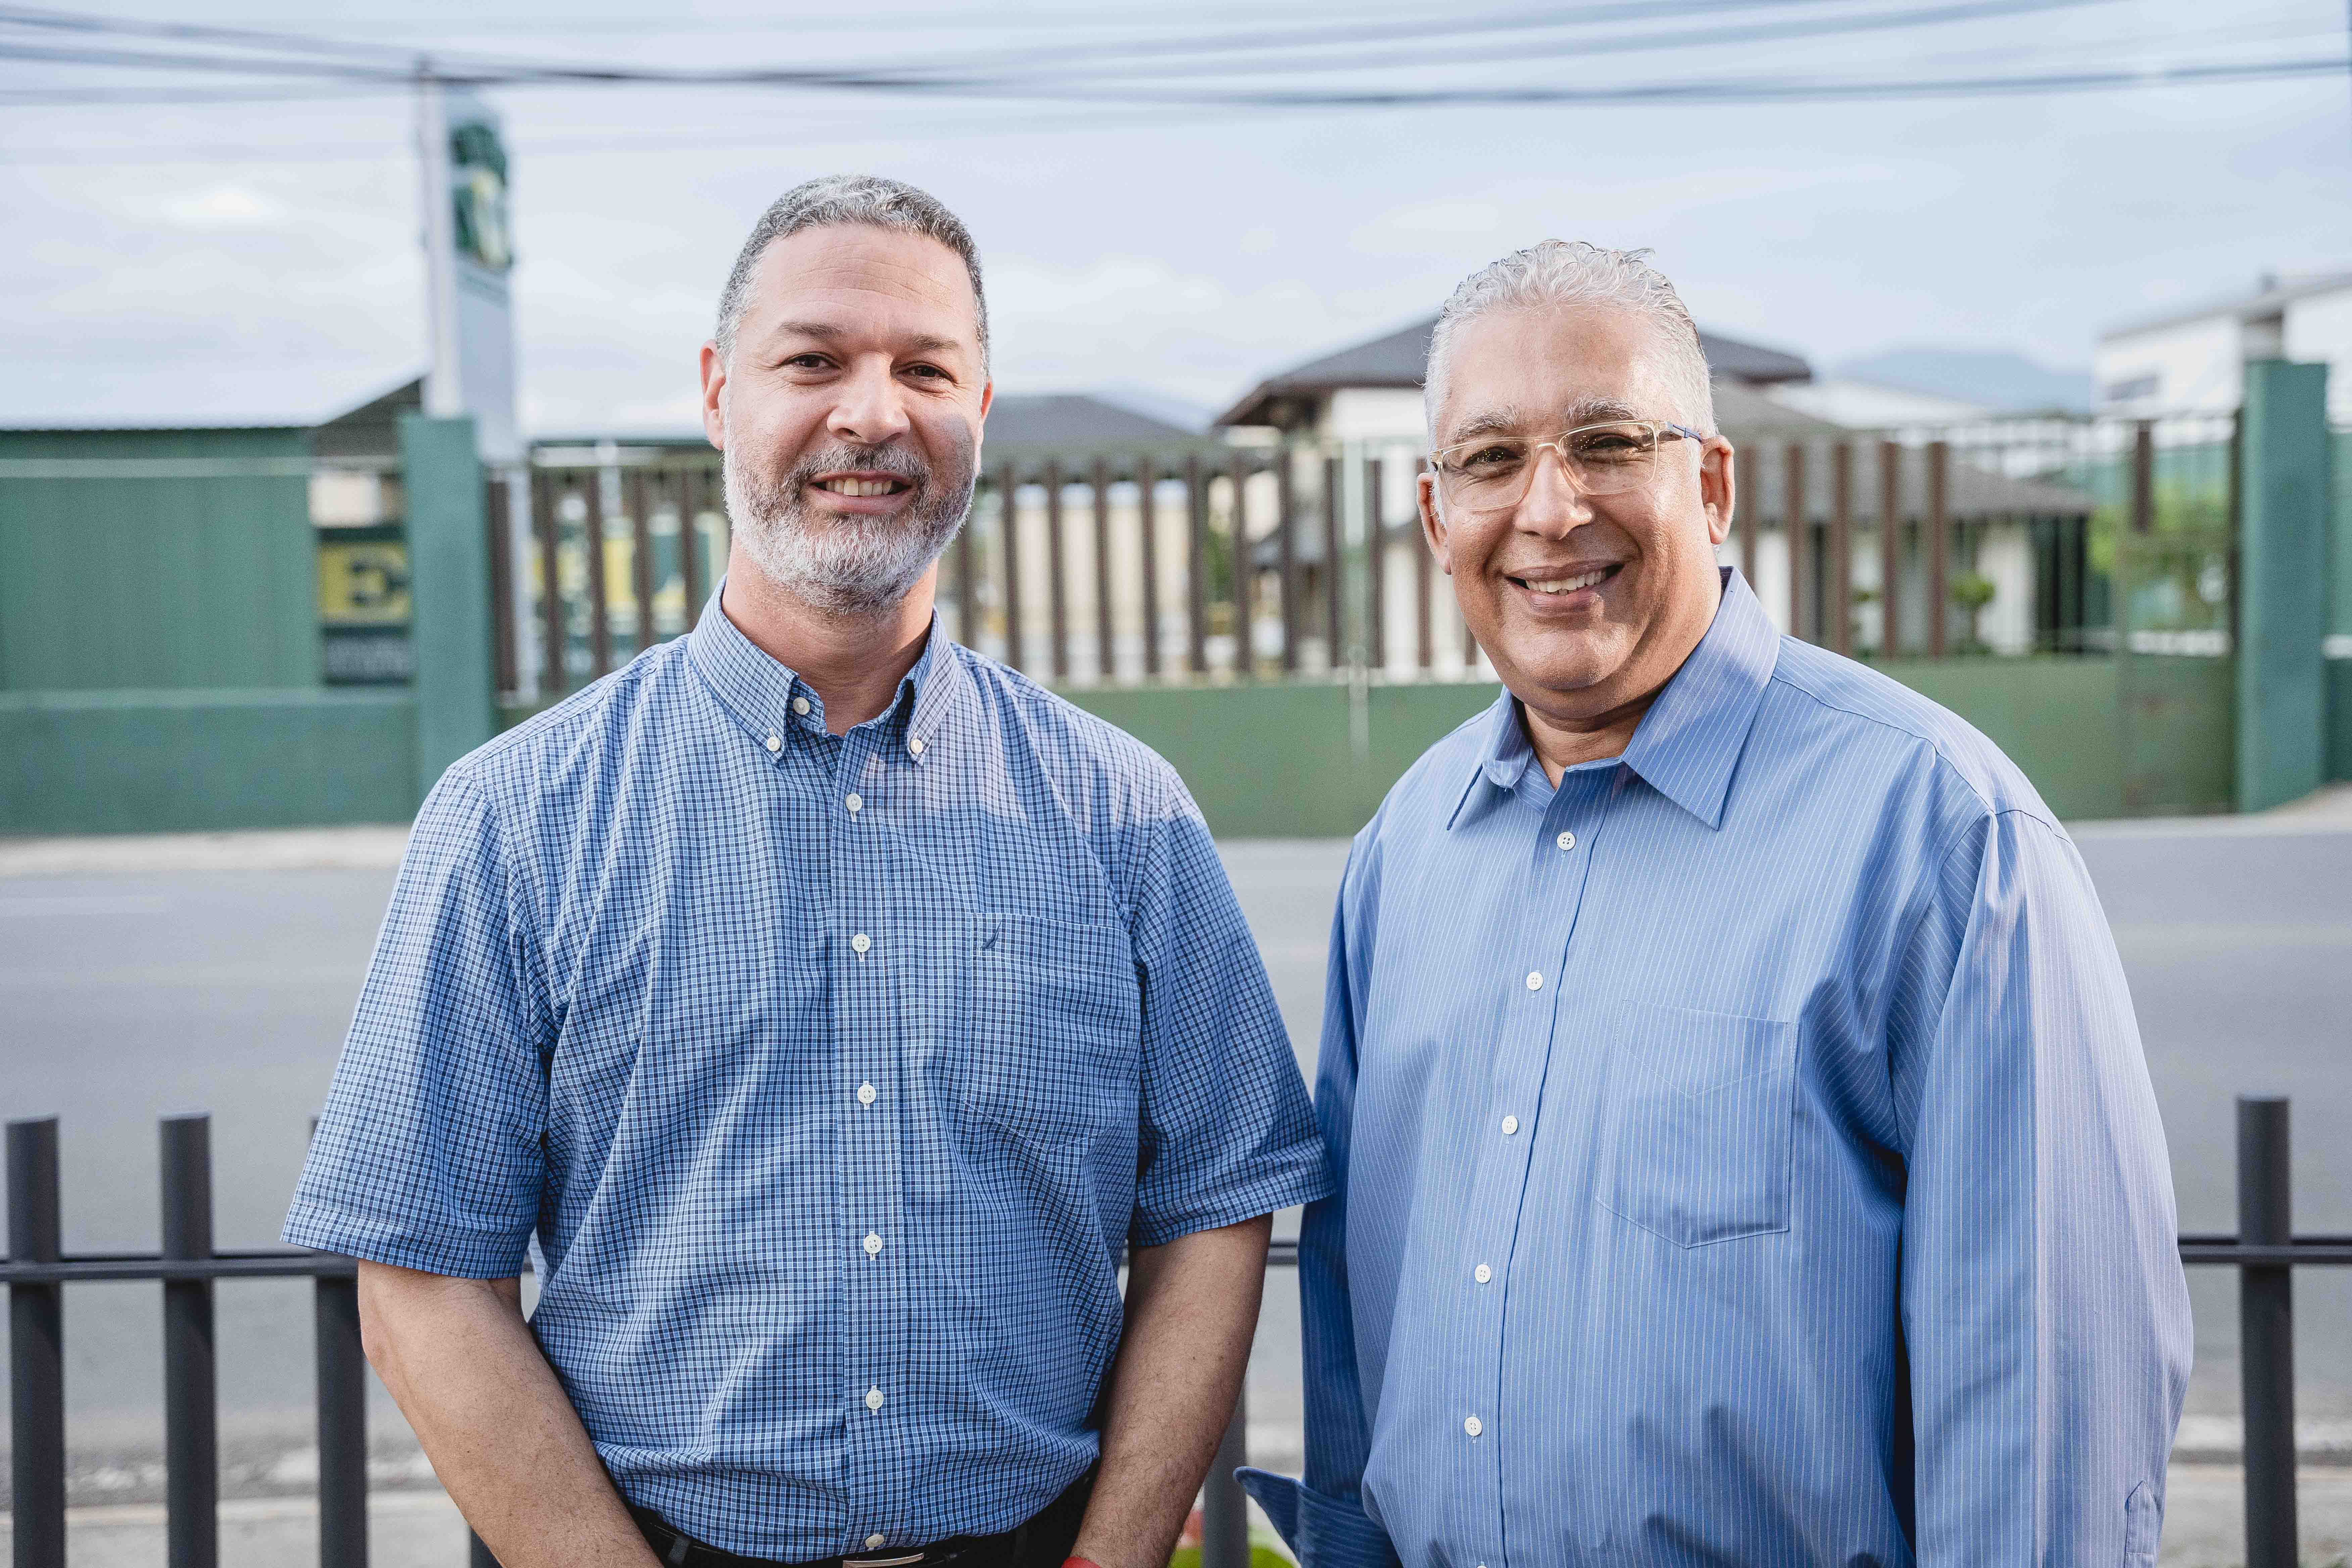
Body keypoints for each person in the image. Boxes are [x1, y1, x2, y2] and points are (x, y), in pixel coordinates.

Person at [285, 174, 1330, 1568]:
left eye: (925, 369)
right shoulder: (515, 819)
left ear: (980, 412)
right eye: (816, 361)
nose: (872, 413)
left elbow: (1213, 1209)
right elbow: (419, 1274)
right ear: (720, 392)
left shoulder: (1126, 815)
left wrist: (1115, 1552)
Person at [1241, 240, 2191, 1565]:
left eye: (1610, 442)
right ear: (1433, 514)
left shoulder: (1937, 837)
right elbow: (1352, 1334)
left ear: (1715, 483)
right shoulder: (1407, 855)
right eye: (1492, 459)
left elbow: (2049, 1427)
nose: (1550, 508)